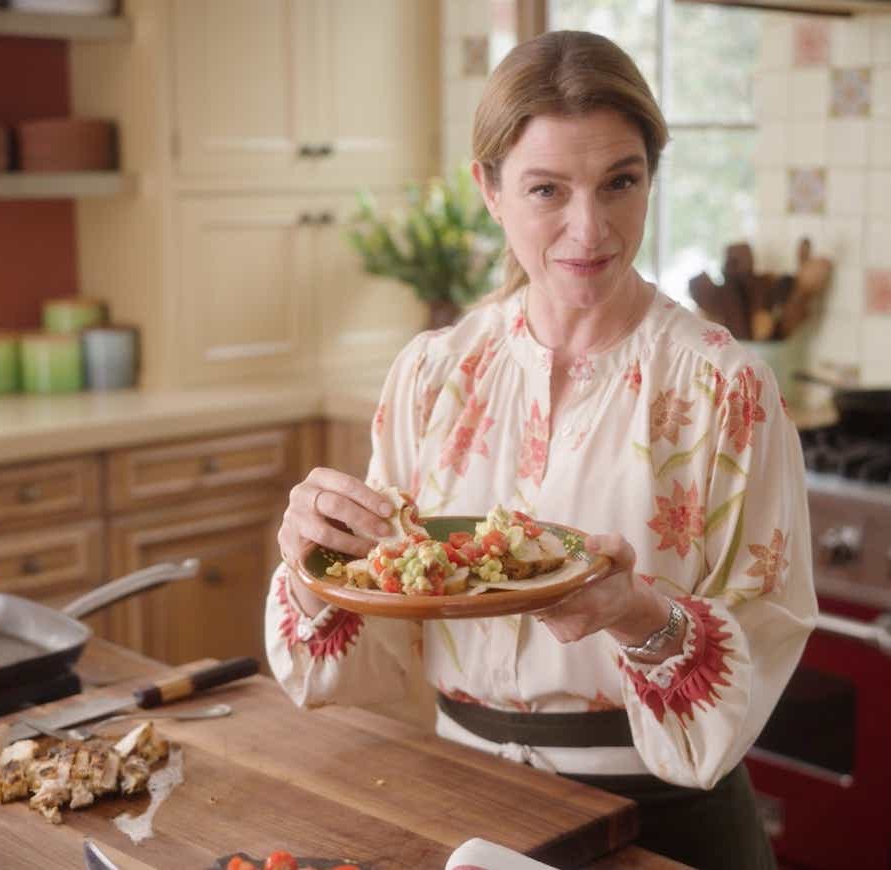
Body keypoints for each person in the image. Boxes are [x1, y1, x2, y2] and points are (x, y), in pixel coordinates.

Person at [268, 29, 816, 870]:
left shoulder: (725, 389)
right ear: (490, 190)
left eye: (619, 183)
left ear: (650, 180)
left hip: (658, 819)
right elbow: (373, 634)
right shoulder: (433, 373)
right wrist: (316, 561)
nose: (588, 229)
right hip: (460, 803)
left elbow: (763, 631)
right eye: (547, 189)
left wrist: (638, 615)